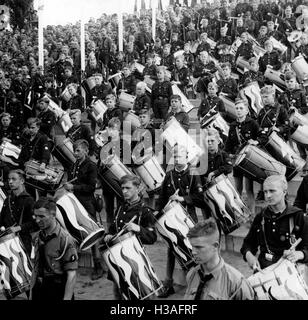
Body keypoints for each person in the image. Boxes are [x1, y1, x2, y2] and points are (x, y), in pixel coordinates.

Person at [157, 145, 205, 298]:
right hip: (171, 221)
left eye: (180, 156)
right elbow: (162, 197)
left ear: (187, 157)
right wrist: (158, 212)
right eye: (175, 156)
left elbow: (200, 199)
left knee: (193, 252)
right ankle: (168, 283)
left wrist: (182, 199)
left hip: (189, 219)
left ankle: (197, 285)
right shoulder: (169, 175)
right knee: (172, 250)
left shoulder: (193, 173)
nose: (177, 158)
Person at [103, 174, 157, 300]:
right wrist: (108, 235)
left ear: (137, 189)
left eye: (128, 188)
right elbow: (113, 228)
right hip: (118, 259)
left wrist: (138, 228)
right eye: (122, 188)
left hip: (135, 260)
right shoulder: (121, 207)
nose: (124, 191)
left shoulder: (145, 211)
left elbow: (152, 237)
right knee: (119, 293)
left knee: (142, 294)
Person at [241, 175, 308, 270]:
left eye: (272, 191)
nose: (268, 195)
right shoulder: (261, 217)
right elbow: (248, 244)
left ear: (284, 192)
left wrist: (300, 254)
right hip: (264, 269)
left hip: (289, 270)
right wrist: (249, 256)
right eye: (265, 192)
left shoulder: (298, 216)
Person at [184, 218, 254, 300]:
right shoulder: (191, 275)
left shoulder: (236, 283)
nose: (193, 252)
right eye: (192, 246)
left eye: (198, 247)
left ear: (215, 246)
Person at [64, 139, 104, 280]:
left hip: (87, 203)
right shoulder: (74, 165)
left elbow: (91, 187)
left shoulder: (91, 165)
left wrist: (74, 187)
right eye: (74, 150)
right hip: (75, 202)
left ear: (86, 151)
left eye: (78, 150)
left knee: (92, 233)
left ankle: (98, 266)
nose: (75, 153)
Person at [32, 197, 78, 300]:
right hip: (40, 288)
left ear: (53, 215)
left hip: (58, 289)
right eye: (35, 216)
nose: (37, 220)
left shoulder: (65, 240)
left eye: (41, 216)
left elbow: (71, 275)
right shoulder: (37, 237)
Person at [224, 99, 259, 215]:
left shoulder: (252, 123)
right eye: (237, 108)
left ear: (247, 110)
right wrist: (227, 154)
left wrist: (256, 142)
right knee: (237, 188)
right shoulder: (233, 125)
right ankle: (240, 213)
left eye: (241, 108)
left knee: (249, 189)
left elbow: (261, 138)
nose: (238, 111)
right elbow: (229, 143)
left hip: (248, 160)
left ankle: (252, 215)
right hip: (237, 160)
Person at [0, 169, 37, 256]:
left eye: (13, 179)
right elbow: (1, 219)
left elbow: (36, 223)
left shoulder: (29, 200)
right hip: (6, 241)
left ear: (22, 181)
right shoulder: (8, 199)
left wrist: (19, 228)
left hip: (22, 241)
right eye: (9, 179)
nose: (10, 182)